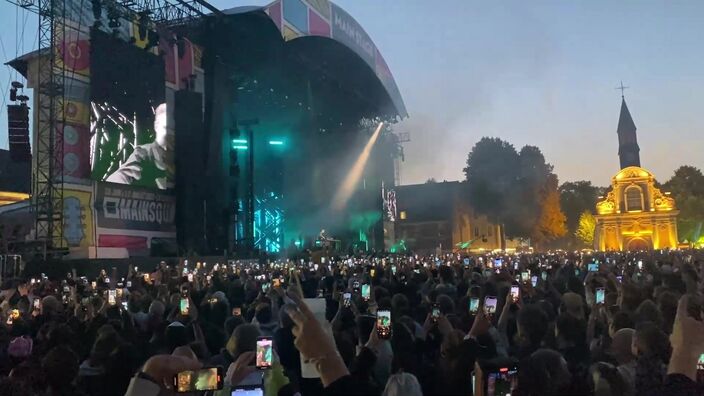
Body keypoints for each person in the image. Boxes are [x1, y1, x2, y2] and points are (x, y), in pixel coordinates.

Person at [105, 102, 174, 190]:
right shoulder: (145, 152)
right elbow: (119, 178)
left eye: (173, 130)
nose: (171, 134)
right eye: (166, 128)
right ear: (156, 126)